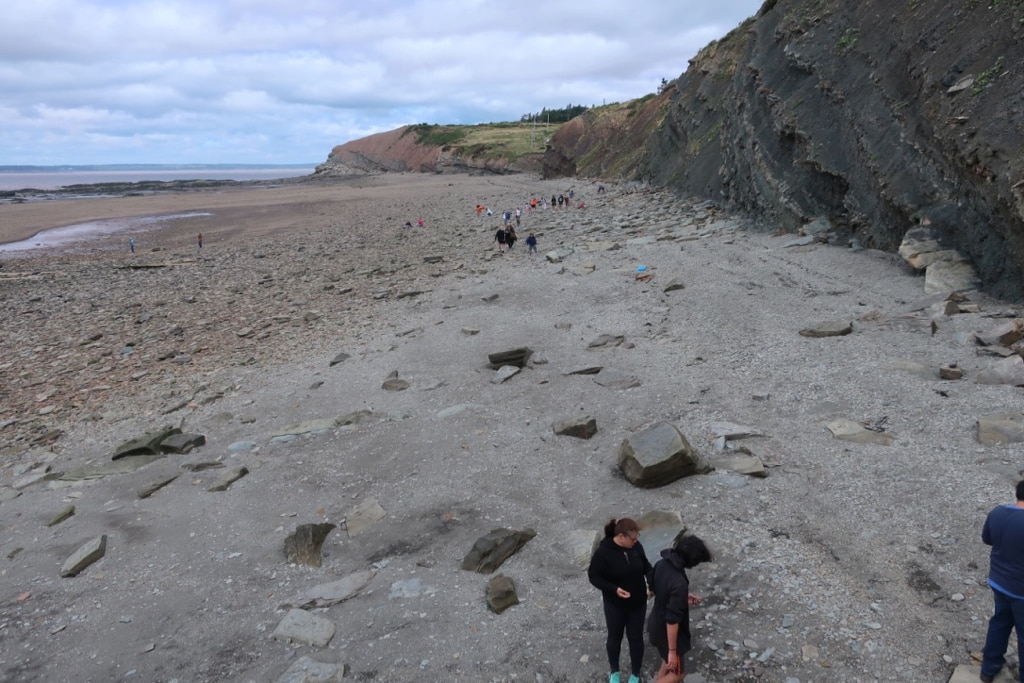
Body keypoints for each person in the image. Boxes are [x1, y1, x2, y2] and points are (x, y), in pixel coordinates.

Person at [588, 518, 653, 683]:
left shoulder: (636, 547)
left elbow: (646, 566)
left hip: (638, 603)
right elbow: (594, 576)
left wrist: (654, 583)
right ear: (621, 536)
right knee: (614, 638)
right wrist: (614, 589)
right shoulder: (603, 553)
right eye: (633, 538)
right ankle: (614, 672)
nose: (636, 541)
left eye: (637, 537)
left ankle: (635, 674)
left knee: (636, 638)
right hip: (614, 605)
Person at [647, 535, 713, 683]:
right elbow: (672, 621)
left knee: (667, 661)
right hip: (667, 632)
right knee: (678, 674)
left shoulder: (661, 564)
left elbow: (656, 587)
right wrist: (672, 650)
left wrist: (682, 598)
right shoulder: (679, 582)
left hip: (655, 623)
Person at [980, 479, 1024, 683]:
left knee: (999, 622)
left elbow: (987, 539)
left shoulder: (997, 513)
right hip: (1020, 591)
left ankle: (989, 669)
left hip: (999, 582)